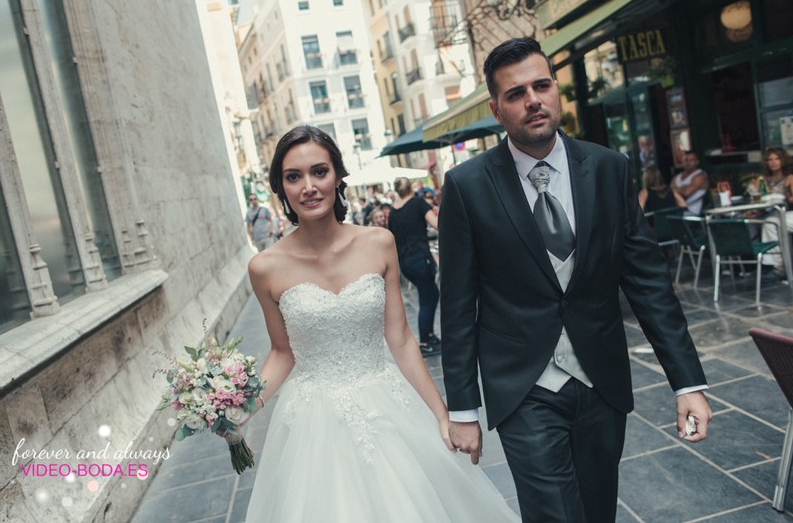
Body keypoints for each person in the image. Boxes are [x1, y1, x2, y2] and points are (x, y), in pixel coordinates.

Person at [438, 38, 712, 523]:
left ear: (556, 90)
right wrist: (463, 409)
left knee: (598, 510)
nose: (533, 100)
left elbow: (649, 284)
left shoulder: (608, 168)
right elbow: (458, 305)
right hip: (523, 386)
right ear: (497, 110)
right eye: (516, 93)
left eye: (541, 86)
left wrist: (686, 381)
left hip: (601, 380)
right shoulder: (467, 186)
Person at [228, 126, 519, 523]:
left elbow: (400, 338)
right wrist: (242, 408)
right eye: (294, 177)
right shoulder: (264, 267)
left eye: (319, 172)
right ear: (281, 187)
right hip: (314, 421)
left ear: (337, 176)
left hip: (387, 406)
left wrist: (441, 413)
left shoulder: (379, 242)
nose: (309, 187)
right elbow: (282, 353)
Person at [388, 177, 441, 357]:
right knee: (427, 298)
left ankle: (430, 336)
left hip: (405, 262)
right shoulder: (418, 203)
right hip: (419, 257)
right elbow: (437, 224)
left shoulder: (393, 211)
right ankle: (425, 342)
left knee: (431, 294)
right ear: (411, 189)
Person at [759, 147, 793, 277]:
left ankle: (779, 267)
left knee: (770, 222)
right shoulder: (763, 179)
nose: (773, 162)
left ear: (783, 160)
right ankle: (773, 265)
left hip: (785, 212)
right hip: (772, 213)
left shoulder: (789, 178)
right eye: (770, 159)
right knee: (764, 222)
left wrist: (788, 196)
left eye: (777, 159)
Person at [671, 151, 708, 216]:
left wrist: (676, 189)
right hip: (676, 211)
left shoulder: (700, 176)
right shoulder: (677, 177)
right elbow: (669, 192)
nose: (688, 163)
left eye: (691, 160)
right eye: (686, 160)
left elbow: (686, 192)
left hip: (692, 212)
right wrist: (683, 187)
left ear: (697, 162)